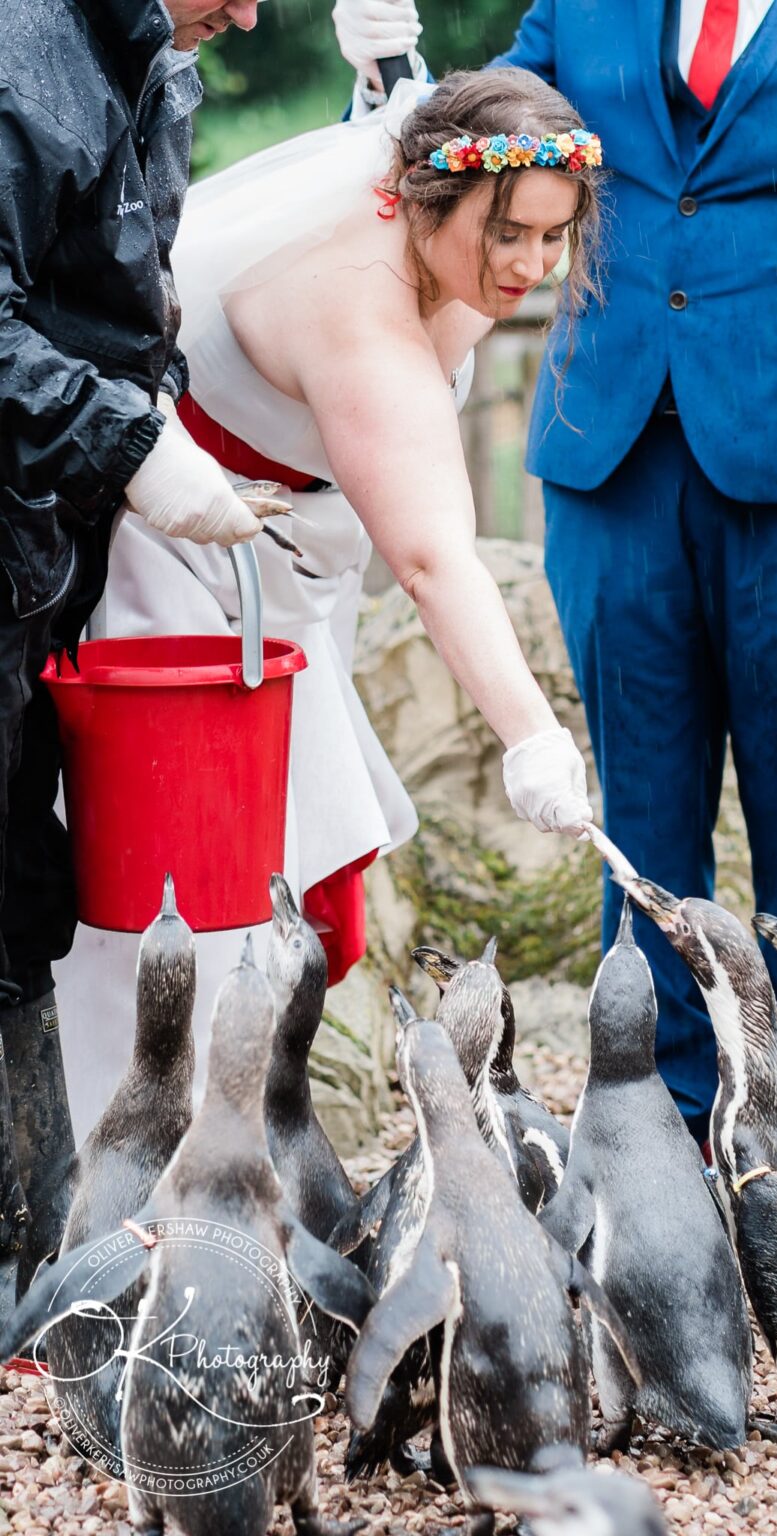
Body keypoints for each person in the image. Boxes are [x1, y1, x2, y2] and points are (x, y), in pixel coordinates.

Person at [334, 0, 777, 1147]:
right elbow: (487, 131)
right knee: (637, 804)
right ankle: (652, 1115)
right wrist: (391, 69)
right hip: (610, 452)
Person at [57, 68, 602, 1138]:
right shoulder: (361, 312)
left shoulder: (429, 245)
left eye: (555, 237)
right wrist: (532, 735)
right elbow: (437, 560)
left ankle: (237, 1142)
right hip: (175, 592)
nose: (532, 266)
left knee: (258, 903)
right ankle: (143, 1163)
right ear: (424, 195)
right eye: (510, 234)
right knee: (179, 898)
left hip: (279, 589)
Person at [0, 0, 273, 1307]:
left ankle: (38, 1253)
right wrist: (126, 441)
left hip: (40, 550)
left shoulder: (145, 64)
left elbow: (120, 298)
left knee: (15, 874)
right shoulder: (20, 46)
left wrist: (147, 423)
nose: (256, 14)